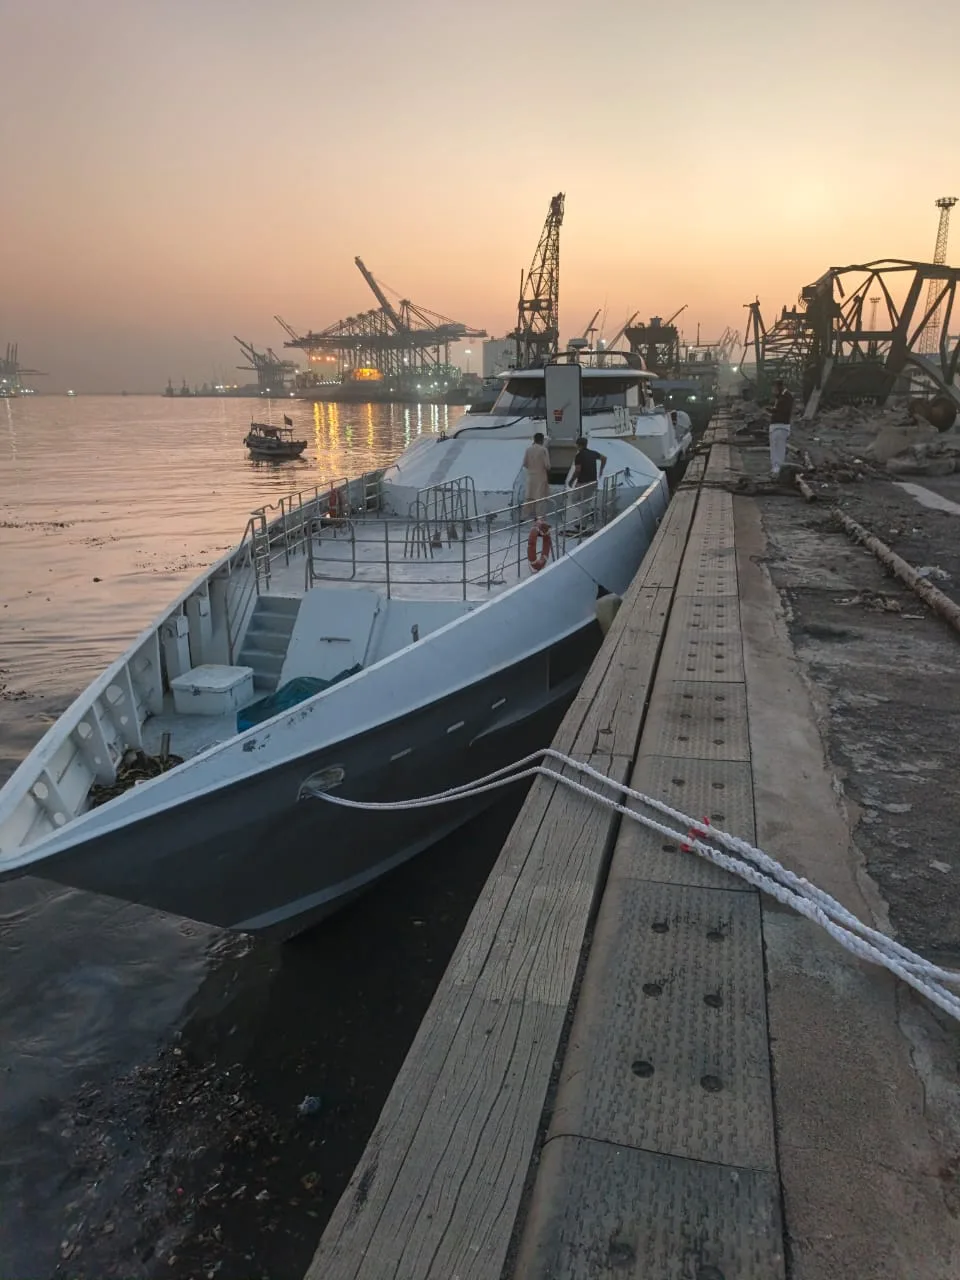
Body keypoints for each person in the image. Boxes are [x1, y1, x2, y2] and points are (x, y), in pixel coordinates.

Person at [768, 378, 794, 479]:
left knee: (778, 449)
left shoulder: (786, 396)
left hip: (780, 427)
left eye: (773, 388)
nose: (772, 390)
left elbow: (782, 410)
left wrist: (772, 410)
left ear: (778, 387)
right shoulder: (781, 396)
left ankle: (777, 470)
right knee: (775, 449)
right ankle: (775, 469)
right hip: (777, 427)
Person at [522, 431, 551, 515]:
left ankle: (524, 516)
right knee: (540, 499)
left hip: (530, 477)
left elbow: (525, 464)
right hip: (541, 477)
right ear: (542, 440)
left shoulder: (528, 449)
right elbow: (547, 465)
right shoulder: (543, 450)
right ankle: (539, 517)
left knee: (529, 497)